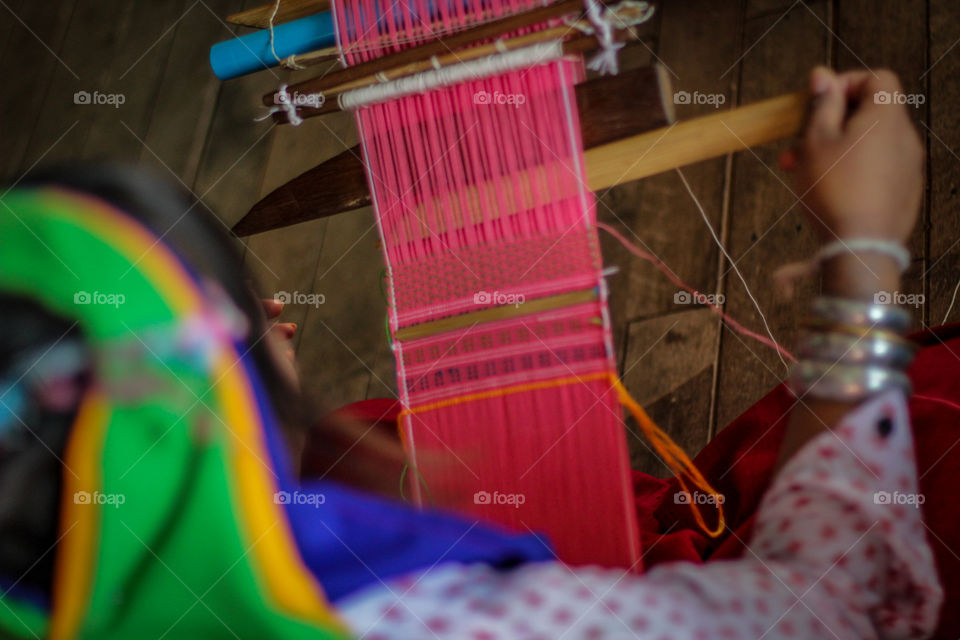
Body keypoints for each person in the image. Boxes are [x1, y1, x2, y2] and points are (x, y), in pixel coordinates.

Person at [0, 66, 944, 639]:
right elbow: (835, 612)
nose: (272, 308)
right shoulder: (420, 615)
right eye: (237, 319)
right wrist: (864, 254)